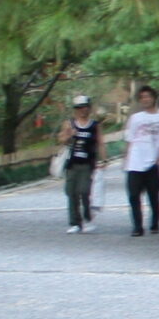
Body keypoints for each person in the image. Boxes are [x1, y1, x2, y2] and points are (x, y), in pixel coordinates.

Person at [122, 86, 159, 236]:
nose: (145, 99)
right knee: (133, 196)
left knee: (153, 195)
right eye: (142, 97)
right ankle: (137, 226)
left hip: (152, 161)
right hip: (135, 161)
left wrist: (158, 158)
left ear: (154, 98)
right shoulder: (136, 118)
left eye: (148, 96)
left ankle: (155, 223)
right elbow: (129, 139)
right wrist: (126, 158)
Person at [59, 94, 104, 233]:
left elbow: (100, 143)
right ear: (75, 109)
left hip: (87, 163)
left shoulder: (94, 125)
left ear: (89, 108)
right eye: (79, 108)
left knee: (84, 191)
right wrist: (69, 135)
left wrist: (103, 160)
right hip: (72, 163)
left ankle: (88, 219)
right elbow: (61, 139)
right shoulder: (69, 123)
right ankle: (75, 222)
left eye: (85, 107)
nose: (82, 110)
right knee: (71, 192)